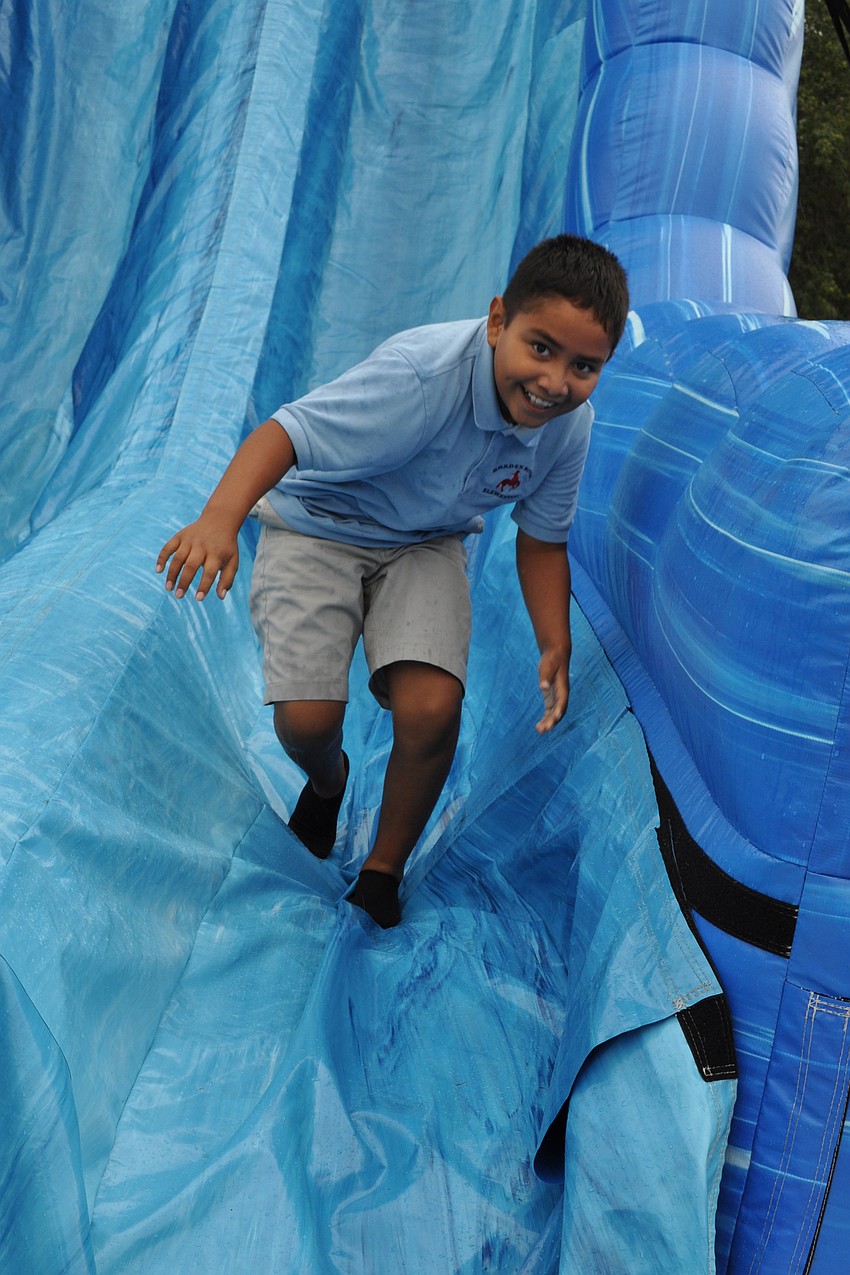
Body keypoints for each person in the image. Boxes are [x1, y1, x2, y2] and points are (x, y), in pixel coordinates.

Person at [156, 234, 629, 928]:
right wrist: (219, 520)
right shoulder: (419, 377)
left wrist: (553, 638)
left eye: (584, 365)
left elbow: (542, 537)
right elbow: (283, 433)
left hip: (426, 542)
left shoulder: (569, 427)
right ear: (498, 321)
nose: (556, 381)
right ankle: (327, 778)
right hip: (321, 522)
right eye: (541, 348)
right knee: (306, 719)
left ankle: (383, 869)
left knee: (433, 709)